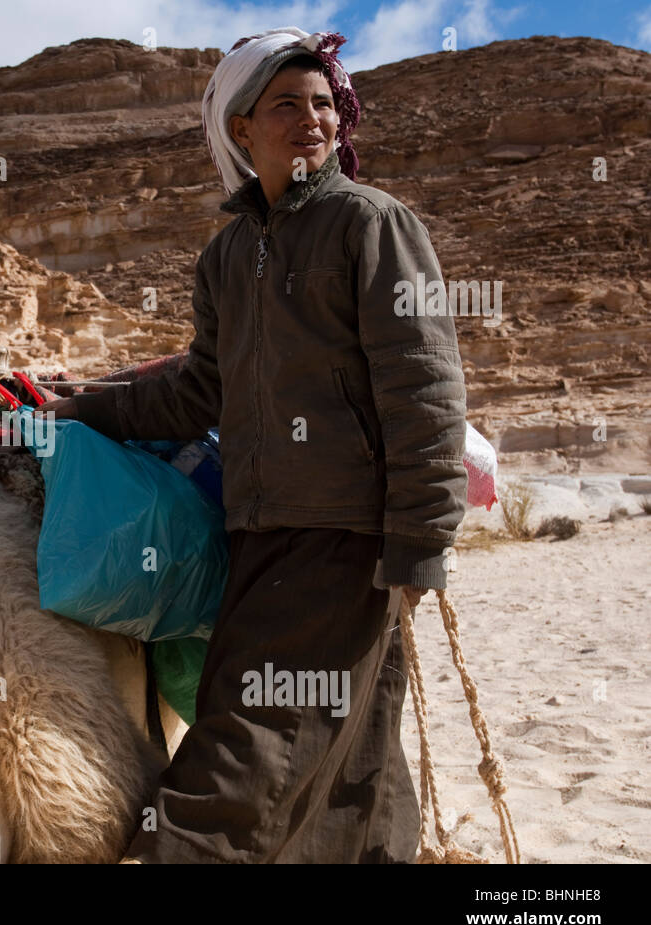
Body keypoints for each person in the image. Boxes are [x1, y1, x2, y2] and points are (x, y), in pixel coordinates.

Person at [43, 27, 467, 863]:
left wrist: (421, 541)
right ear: (241, 130)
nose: (313, 120)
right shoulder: (228, 256)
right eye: (287, 106)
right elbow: (196, 390)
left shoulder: (371, 224)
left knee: (242, 755)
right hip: (258, 536)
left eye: (322, 105)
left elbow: (423, 386)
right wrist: (82, 408)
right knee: (350, 754)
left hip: (349, 540)